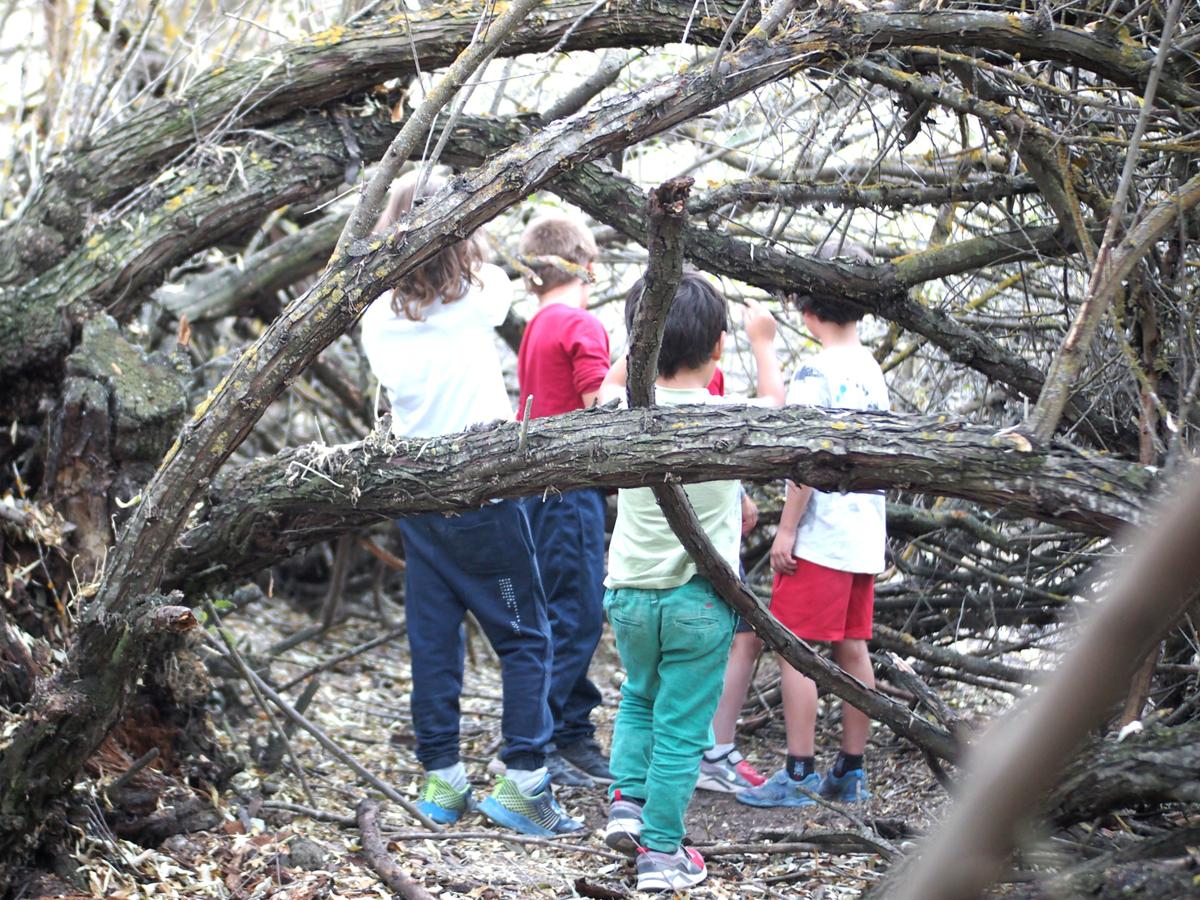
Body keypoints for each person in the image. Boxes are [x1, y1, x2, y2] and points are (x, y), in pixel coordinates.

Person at [359, 171, 582, 837]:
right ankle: (523, 782)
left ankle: (442, 779)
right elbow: (488, 277)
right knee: (524, 633)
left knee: (434, 635)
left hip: (415, 490)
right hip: (480, 487)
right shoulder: (483, 292)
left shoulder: (374, 312)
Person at [598, 273, 784, 892]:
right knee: (682, 728)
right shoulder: (728, 416)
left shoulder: (622, 412)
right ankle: (662, 853)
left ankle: (626, 803)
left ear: (637, 342)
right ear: (717, 349)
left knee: (638, 696)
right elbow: (782, 416)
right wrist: (762, 343)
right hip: (697, 605)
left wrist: (634, 346)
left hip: (628, 595)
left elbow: (607, 385)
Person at [736, 261, 889, 810]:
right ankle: (850, 769)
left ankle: (798, 771)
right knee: (853, 648)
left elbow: (806, 461)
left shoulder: (813, 373)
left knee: (795, 649)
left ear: (807, 313)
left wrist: (787, 530)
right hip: (866, 531)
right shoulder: (871, 368)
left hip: (822, 536)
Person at [514, 215, 611, 787]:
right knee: (575, 617)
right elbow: (599, 407)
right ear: (586, 264)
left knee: (563, 612)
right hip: (568, 491)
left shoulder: (537, 325)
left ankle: (572, 732)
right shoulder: (577, 323)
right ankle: (540, 740)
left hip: (537, 493)